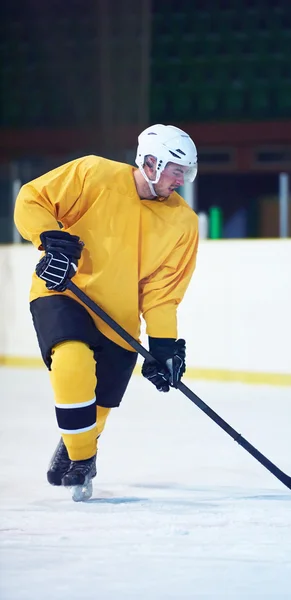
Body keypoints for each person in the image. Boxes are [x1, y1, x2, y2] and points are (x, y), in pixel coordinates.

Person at [14, 124, 199, 500]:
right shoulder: (93, 174)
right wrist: (49, 239)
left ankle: (78, 440)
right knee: (71, 361)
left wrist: (163, 346)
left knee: (99, 407)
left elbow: (162, 294)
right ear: (150, 162)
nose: (181, 178)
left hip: (120, 318)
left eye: (186, 171)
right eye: (175, 169)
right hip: (65, 291)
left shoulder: (183, 223)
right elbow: (31, 199)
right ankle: (84, 457)